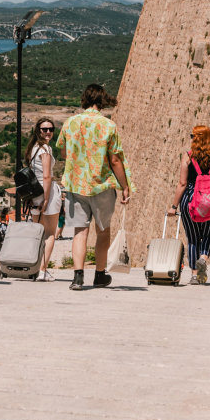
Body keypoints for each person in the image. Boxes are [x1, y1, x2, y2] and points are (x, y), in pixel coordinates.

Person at [56, 84, 133, 291]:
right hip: (102, 186)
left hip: (76, 185)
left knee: (80, 231)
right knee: (102, 231)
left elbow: (63, 153)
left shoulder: (70, 123)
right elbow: (115, 160)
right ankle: (99, 275)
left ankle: (78, 278)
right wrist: (125, 186)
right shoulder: (108, 126)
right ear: (101, 100)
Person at [168, 125, 210, 285]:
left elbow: (182, 184)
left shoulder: (188, 158)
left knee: (193, 238)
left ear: (194, 139)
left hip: (190, 202)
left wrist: (173, 207)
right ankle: (203, 258)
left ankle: (195, 275)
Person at [24, 116, 62, 281]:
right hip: (47, 192)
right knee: (50, 233)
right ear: (38, 131)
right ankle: (42, 270)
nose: (48, 132)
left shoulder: (32, 148)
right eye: (44, 129)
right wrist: (47, 199)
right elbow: (47, 177)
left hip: (34, 192)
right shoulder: (45, 150)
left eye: (51, 129)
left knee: (38, 233)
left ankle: (35, 268)